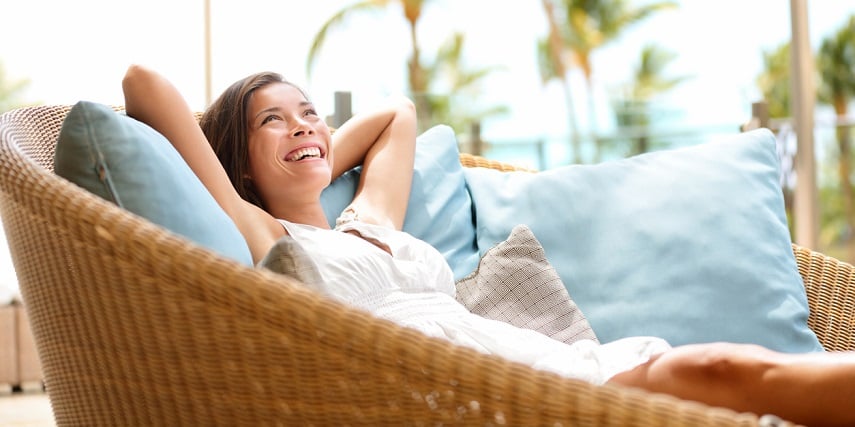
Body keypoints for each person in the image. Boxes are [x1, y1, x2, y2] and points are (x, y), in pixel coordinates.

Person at [122, 64, 855, 427]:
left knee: (729, 380)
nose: (304, 126)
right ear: (238, 162)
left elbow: (395, 115)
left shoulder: (368, 221)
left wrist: (309, 150)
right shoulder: (267, 238)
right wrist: (253, 176)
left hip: (538, 362)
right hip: (472, 393)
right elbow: (141, 84)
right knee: (725, 370)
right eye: (272, 121)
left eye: (310, 113)